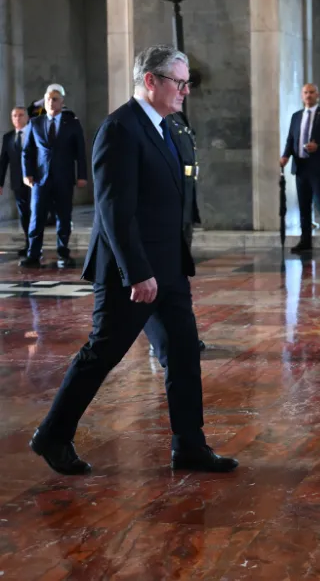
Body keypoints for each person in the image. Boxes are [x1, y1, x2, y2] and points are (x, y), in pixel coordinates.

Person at [29, 44, 238, 476]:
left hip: (169, 269)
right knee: (102, 353)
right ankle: (52, 434)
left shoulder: (167, 127)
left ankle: (190, 446)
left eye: (186, 83)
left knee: (182, 354)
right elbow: (114, 209)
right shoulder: (120, 128)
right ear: (151, 81)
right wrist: (138, 272)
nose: (185, 91)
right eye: (179, 83)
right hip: (133, 273)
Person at [146, 110, 206, 367]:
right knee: (161, 277)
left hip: (183, 206)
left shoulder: (179, 118)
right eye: (180, 83)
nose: (185, 90)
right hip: (168, 210)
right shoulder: (152, 120)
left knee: (176, 277)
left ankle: (179, 336)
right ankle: (160, 339)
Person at [20, 84, 87, 268]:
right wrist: (28, 174)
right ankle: (33, 254)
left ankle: (63, 253)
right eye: (48, 99)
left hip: (63, 178)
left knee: (64, 217)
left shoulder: (72, 123)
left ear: (62, 102)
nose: (51, 102)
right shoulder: (35, 123)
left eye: (55, 99)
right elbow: (27, 151)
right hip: (40, 180)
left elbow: (80, 152)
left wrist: (82, 175)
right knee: (37, 217)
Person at [280, 83, 320, 255]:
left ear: (317, 95)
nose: (308, 95)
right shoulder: (296, 116)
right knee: (304, 206)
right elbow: (291, 139)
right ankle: (305, 241)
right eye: (305, 92)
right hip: (301, 167)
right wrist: (285, 156)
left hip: (319, 168)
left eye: (312, 92)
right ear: (302, 95)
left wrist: (319, 146)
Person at [0, 106, 33, 256]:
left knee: (36, 213)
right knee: (24, 214)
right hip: (17, 182)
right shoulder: (8, 137)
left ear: (27, 117)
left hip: (34, 181)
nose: (18, 118)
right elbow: (3, 161)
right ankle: (29, 244)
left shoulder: (34, 133)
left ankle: (35, 244)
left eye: (21, 115)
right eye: (14, 116)